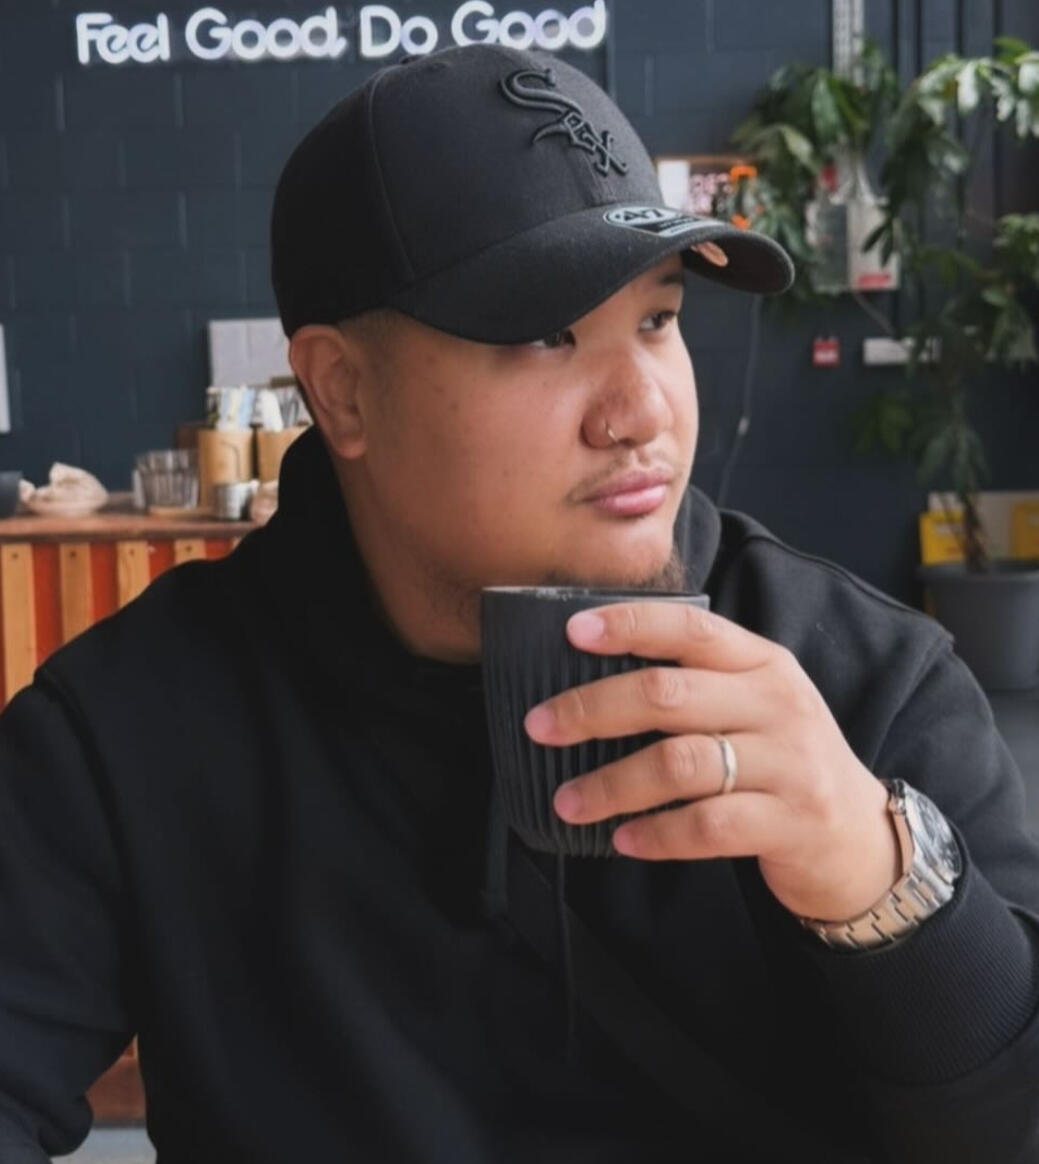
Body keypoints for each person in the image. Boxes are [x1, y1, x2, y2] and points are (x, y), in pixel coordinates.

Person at [1, 43, 1037, 1164]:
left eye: (658, 319)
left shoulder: (858, 683)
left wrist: (877, 882)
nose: (641, 412)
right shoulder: (128, 735)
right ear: (342, 391)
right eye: (548, 334)